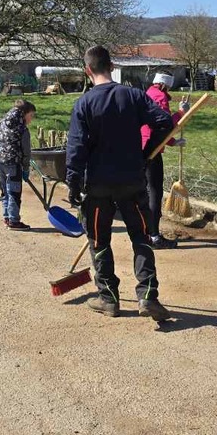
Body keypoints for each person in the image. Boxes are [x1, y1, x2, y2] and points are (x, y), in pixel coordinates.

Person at [66, 45, 175, 321]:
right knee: (141, 237)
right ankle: (148, 296)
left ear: (87, 70)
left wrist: (73, 184)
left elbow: (76, 148)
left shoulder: (84, 104)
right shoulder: (134, 96)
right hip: (132, 181)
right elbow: (164, 122)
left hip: (98, 184)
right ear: (112, 66)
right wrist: (146, 153)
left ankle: (108, 299)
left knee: (99, 239)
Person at [141, 72, 186, 249]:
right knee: (154, 193)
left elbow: (154, 126)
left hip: (141, 148)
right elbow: (164, 125)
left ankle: (145, 233)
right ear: (165, 85)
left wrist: (172, 142)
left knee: (143, 192)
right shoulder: (159, 97)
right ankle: (154, 236)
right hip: (151, 151)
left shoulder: (147, 94)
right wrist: (181, 112)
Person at [0, 100, 36, 230]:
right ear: (24, 113)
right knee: (14, 192)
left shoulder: (4, 122)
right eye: (31, 115)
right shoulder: (23, 129)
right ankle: (14, 221)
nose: (31, 119)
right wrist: (26, 169)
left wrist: (2, 144)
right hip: (13, 164)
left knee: (4, 191)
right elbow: (26, 152)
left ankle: (7, 217)